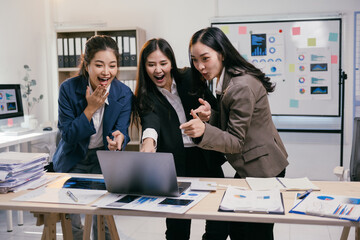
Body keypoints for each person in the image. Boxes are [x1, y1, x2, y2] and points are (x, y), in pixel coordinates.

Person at [180, 27, 289, 240]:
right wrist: (211, 116)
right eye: (194, 60)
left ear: (221, 53)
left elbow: (237, 141)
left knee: (254, 233)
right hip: (253, 166)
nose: (200, 66)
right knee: (240, 230)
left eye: (205, 58)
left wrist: (204, 131)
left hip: (263, 169)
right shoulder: (229, 77)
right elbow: (235, 122)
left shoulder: (240, 85)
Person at [133, 38, 227, 240]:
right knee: (177, 227)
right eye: (151, 65)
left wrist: (208, 113)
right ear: (144, 67)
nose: (158, 70)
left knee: (219, 219)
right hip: (175, 163)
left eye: (163, 63)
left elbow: (214, 107)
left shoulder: (189, 78)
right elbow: (151, 121)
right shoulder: (145, 95)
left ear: (171, 63)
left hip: (205, 155)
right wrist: (148, 142)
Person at [52, 35, 133, 240]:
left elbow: (122, 130)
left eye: (112, 65)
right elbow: (68, 135)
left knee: (103, 220)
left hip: (102, 160)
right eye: (99, 65)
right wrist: (90, 108)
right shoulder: (68, 89)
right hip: (73, 160)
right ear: (86, 65)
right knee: (74, 223)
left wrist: (119, 140)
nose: (106, 72)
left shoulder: (123, 93)